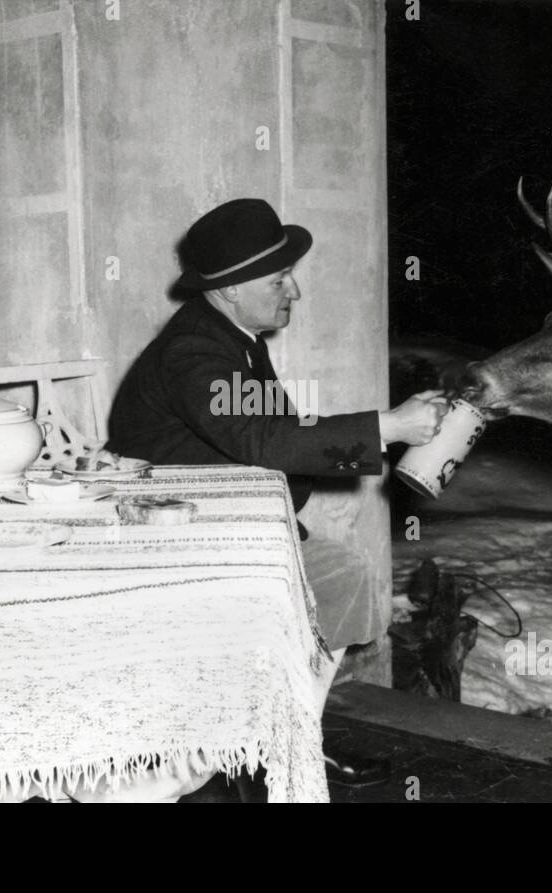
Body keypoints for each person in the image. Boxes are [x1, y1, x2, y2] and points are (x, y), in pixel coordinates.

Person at [106, 198, 446, 796]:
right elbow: (264, 439)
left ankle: (283, 745)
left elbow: (279, 438)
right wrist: (388, 427)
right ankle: (224, 760)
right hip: (176, 546)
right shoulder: (196, 352)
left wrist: (377, 436)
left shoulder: (234, 336)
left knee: (343, 576)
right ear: (232, 288)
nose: (295, 291)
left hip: (232, 527)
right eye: (278, 279)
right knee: (333, 581)